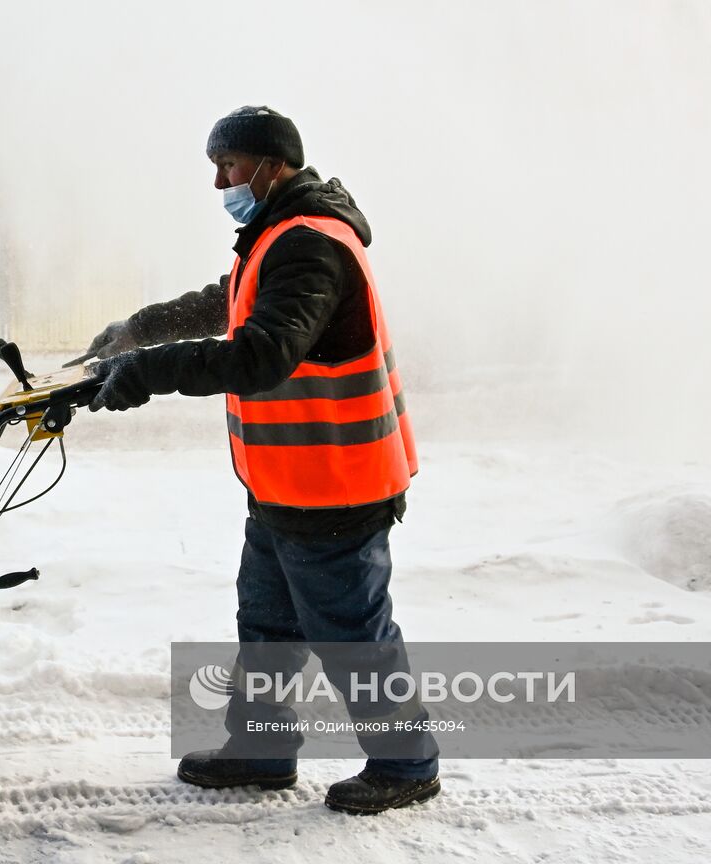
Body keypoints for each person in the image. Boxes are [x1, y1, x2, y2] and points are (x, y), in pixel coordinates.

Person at [83, 106, 440, 815]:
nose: (221, 182)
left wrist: (149, 374)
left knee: (351, 635)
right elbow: (231, 303)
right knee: (269, 625)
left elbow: (261, 353)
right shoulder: (277, 235)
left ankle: (407, 764)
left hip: (337, 486)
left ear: (273, 167)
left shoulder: (310, 243)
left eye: (231, 166)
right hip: (286, 487)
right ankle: (261, 750)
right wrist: (138, 332)